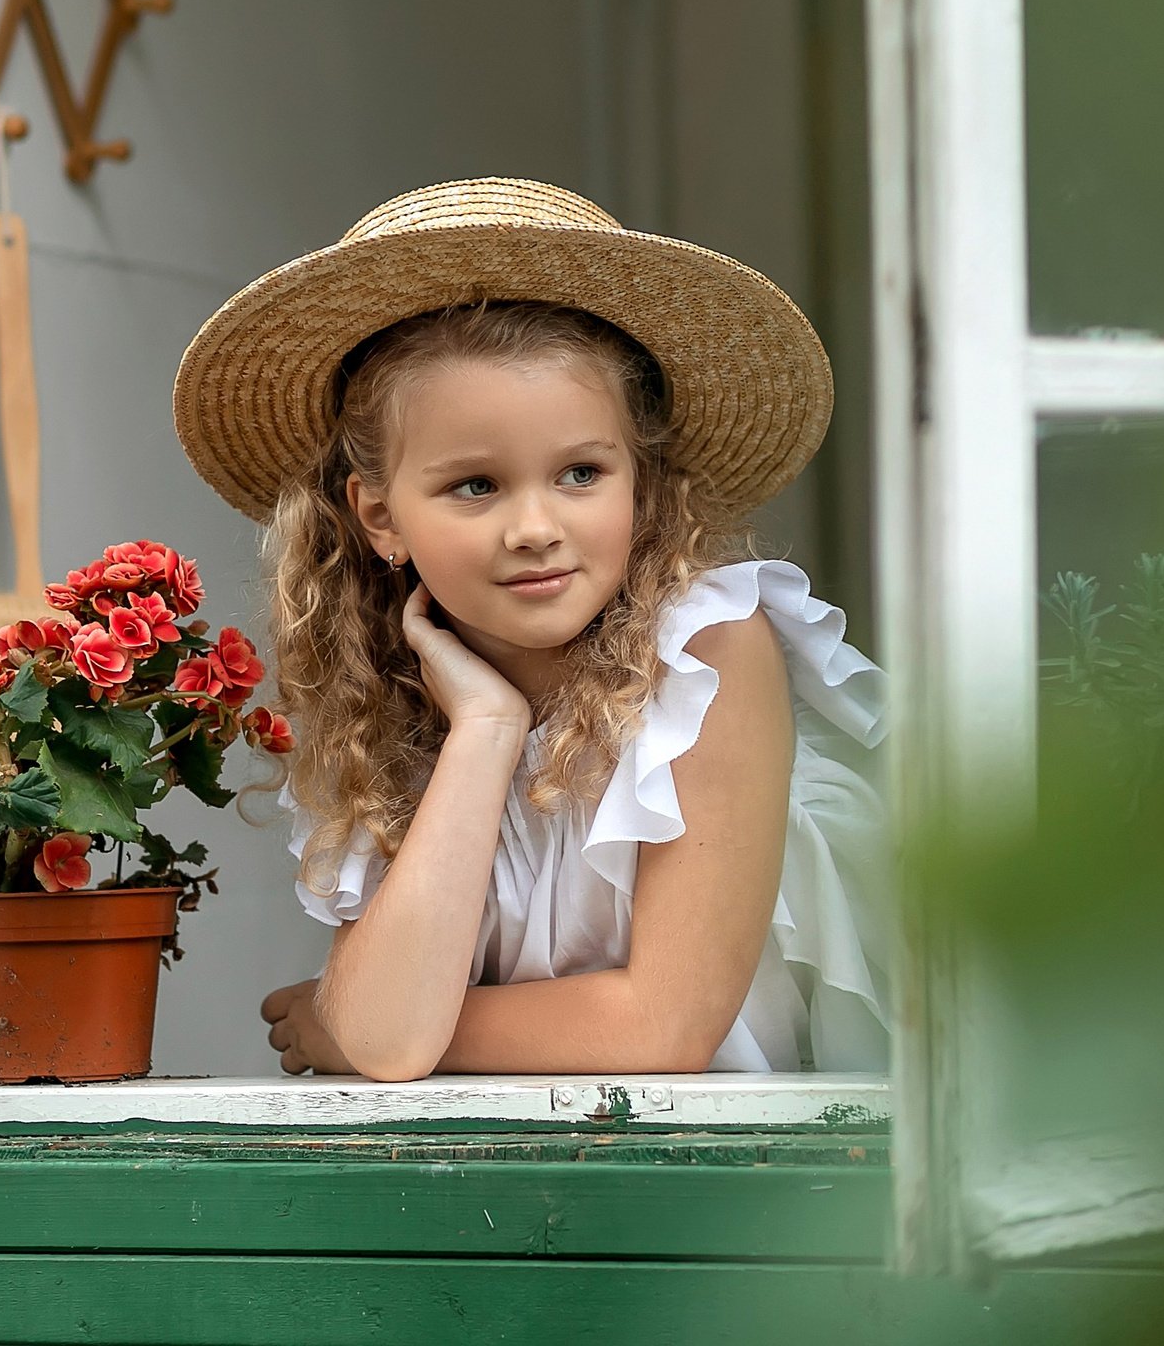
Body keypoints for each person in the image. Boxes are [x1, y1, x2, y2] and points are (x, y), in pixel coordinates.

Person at [171, 178, 889, 1080]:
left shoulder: (708, 650)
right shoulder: (394, 695)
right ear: (380, 516)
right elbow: (389, 1037)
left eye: (582, 473)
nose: (536, 527)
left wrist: (340, 1022)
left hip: (732, 1188)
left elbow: (659, 1031)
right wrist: (486, 728)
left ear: (642, 479)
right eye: (475, 485)